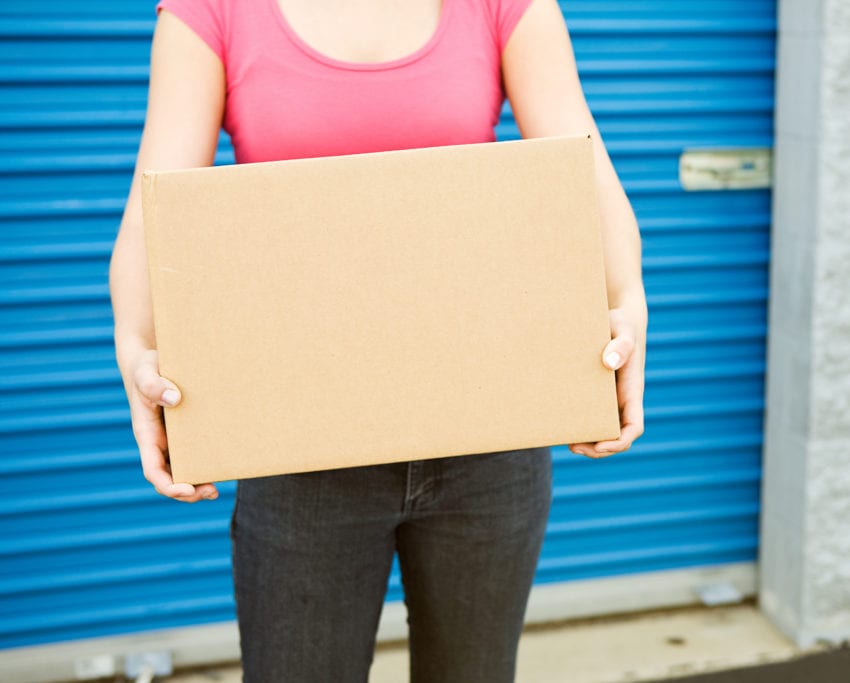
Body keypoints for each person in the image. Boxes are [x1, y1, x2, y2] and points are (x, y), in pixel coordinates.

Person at [109, 0, 647, 680]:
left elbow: (587, 171)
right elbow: (154, 208)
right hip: (299, 447)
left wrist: (627, 300)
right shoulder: (212, 11)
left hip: (487, 431)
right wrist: (137, 348)